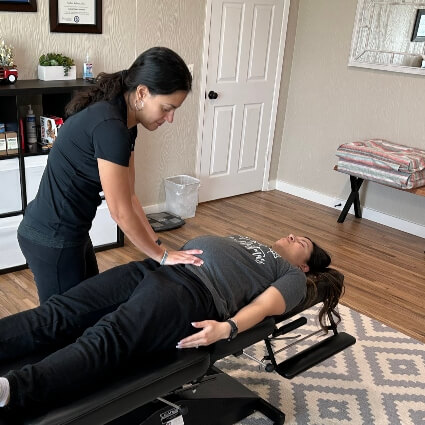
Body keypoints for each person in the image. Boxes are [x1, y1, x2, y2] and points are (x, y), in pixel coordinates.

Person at [0, 233, 344, 410]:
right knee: (60, 311)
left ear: (304, 266)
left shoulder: (292, 277)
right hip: (156, 267)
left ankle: (13, 390)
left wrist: (228, 328)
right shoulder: (254, 244)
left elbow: (266, 305)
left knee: (108, 337)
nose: (294, 237)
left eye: (304, 243)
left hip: (193, 293)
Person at [17, 47, 203, 304]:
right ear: (142, 93)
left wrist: (158, 244)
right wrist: (161, 256)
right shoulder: (110, 127)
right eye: (166, 108)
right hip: (51, 238)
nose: (170, 118)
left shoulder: (127, 124)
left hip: (73, 232)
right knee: (61, 325)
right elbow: (119, 211)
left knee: (89, 310)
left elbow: (130, 196)